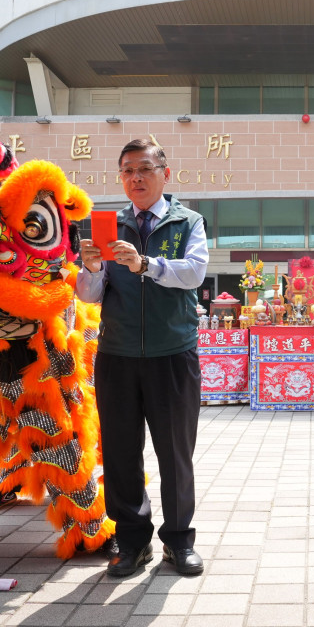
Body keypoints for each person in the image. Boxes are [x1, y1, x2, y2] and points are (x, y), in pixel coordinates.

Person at [77, 138, 208, 578]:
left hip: (173, 354)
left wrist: (145, 264)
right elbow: (90, 296)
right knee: (119, 452)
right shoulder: (107, 225)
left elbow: (194, 272)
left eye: (145, 169)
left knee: (175, 453)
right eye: (128, 170)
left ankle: (178, 541)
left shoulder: (187, 221)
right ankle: (131, 542)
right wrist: (92, 268)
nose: (136, 177)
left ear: (164, 174)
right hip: (118, 354)